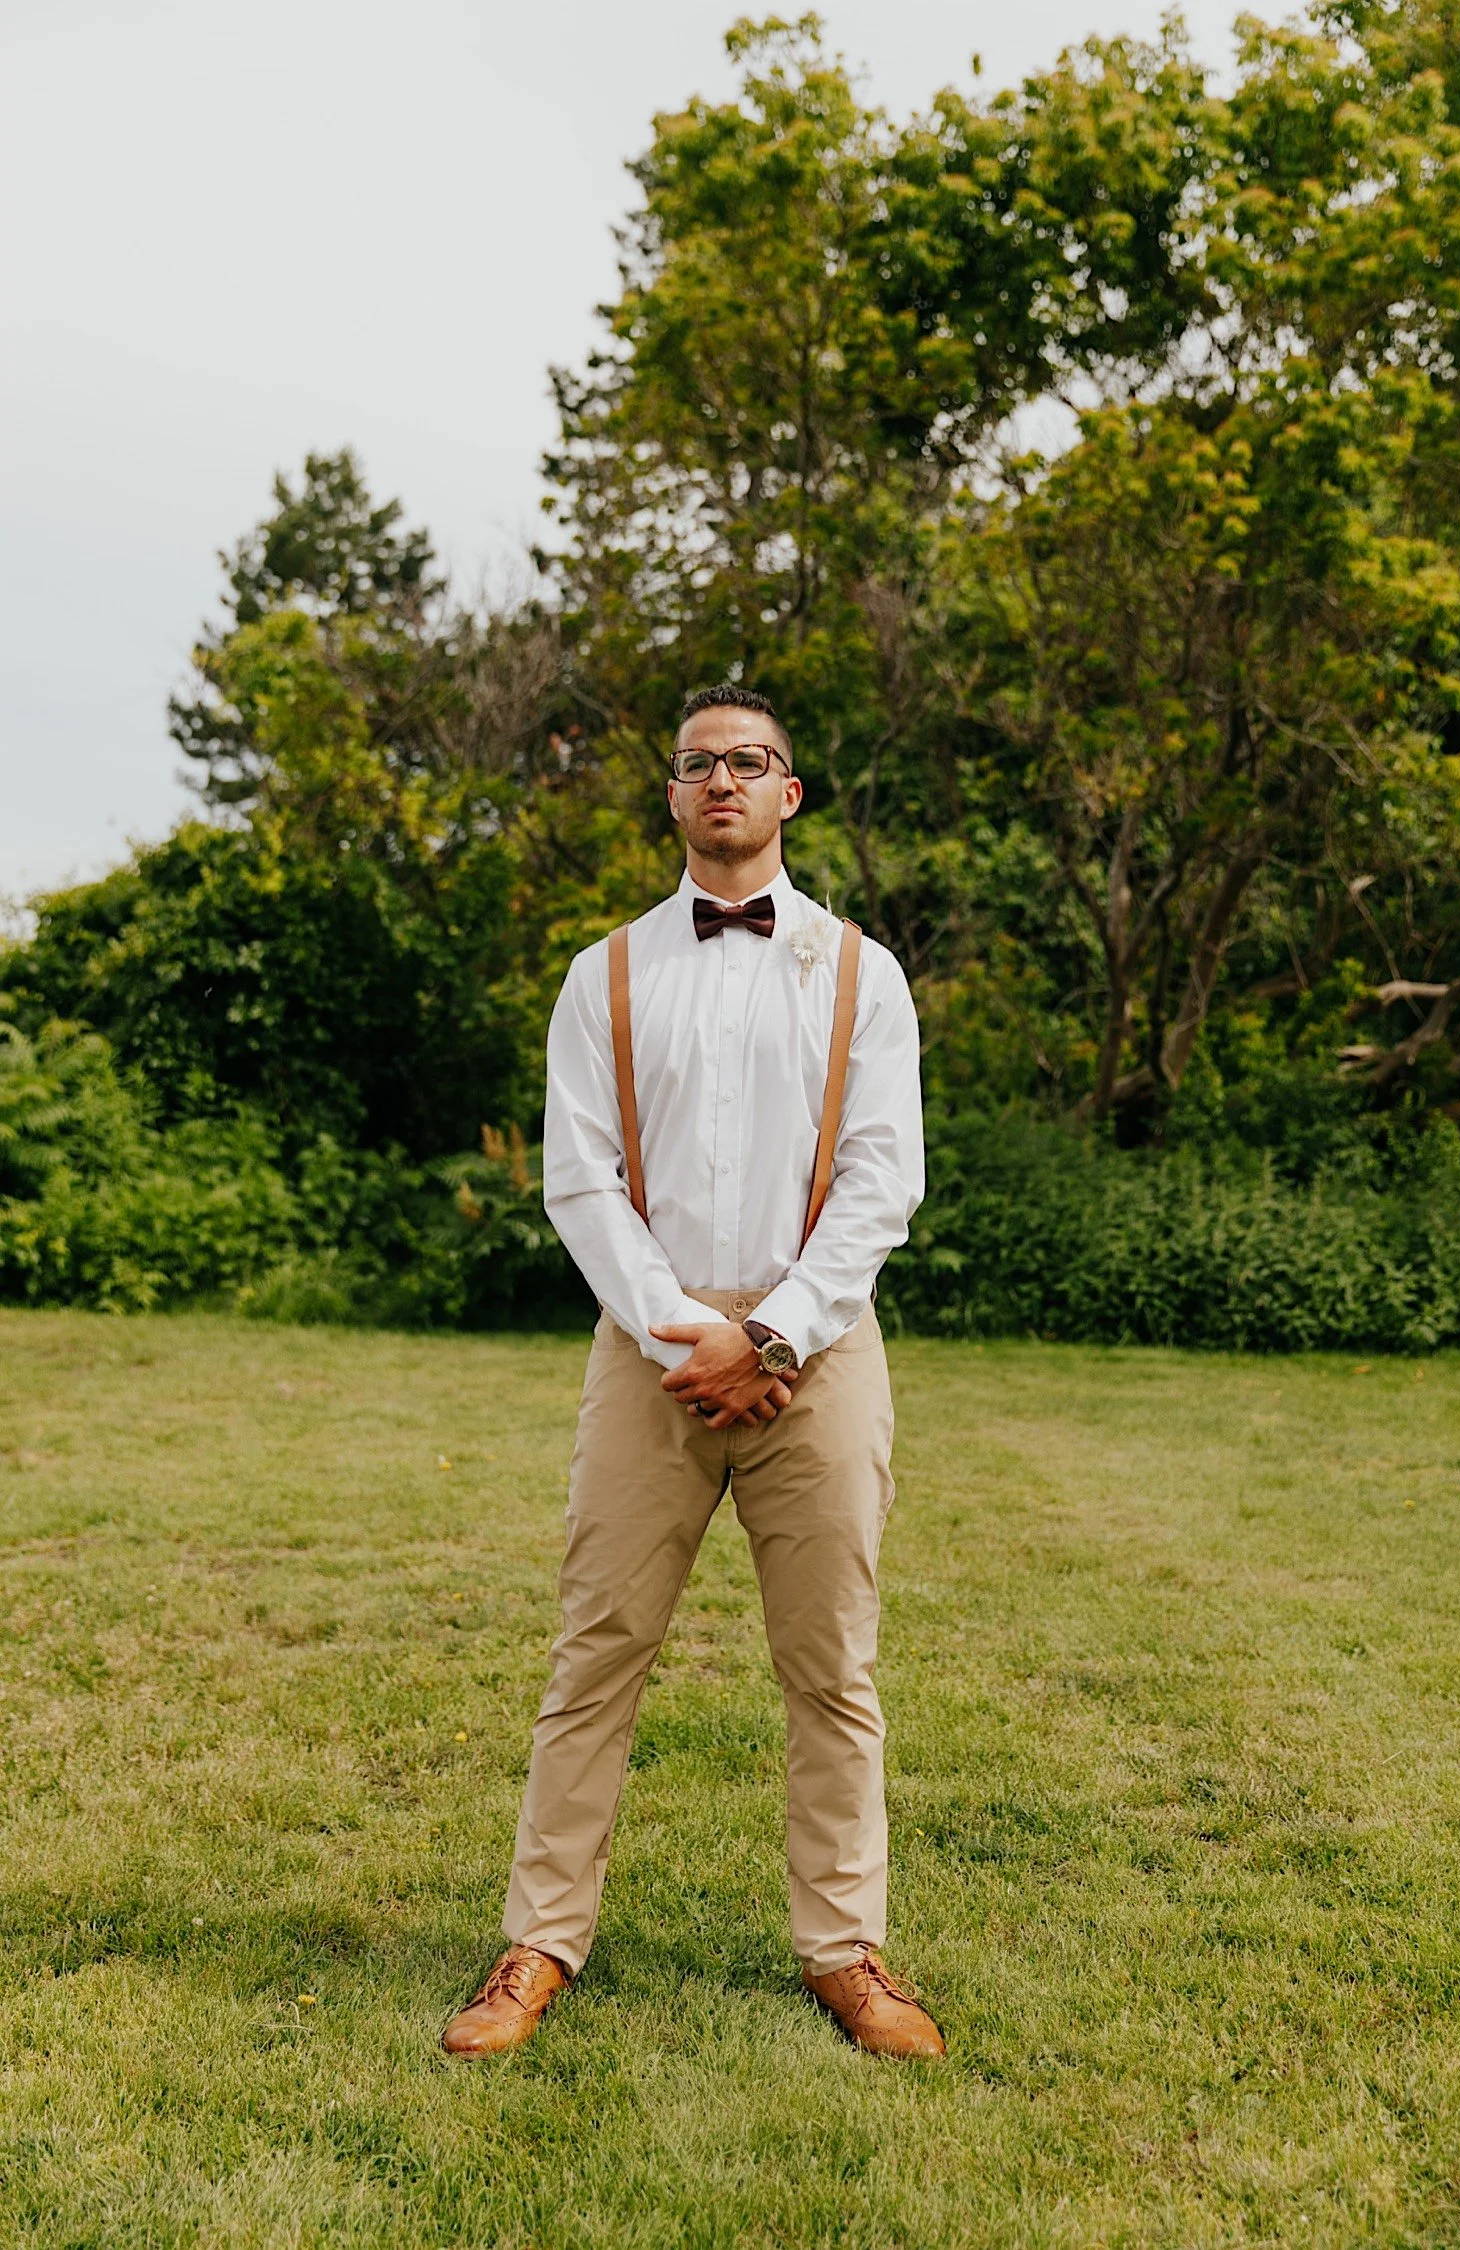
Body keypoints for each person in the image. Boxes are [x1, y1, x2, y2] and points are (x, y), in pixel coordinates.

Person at [441, 684, 944, 2061]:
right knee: (596, 1651)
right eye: (698, 763)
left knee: (832, 1666)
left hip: (817, 1352)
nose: (723, 780)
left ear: (789, 792)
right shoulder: (602, 974)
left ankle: (845, 1951)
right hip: (650, 1351)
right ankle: (540, 1942)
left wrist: (772, 1334)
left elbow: (881, 1179)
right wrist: (684, 1332)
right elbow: (579, 1179)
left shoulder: (863, 973)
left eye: (749, 761)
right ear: (672, 794)